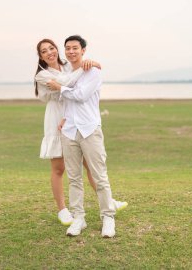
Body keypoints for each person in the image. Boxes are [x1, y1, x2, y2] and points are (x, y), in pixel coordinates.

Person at [34, 39, 127, 227]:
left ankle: (108, 202)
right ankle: (62, 209)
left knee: (89, 164)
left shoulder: (67, 65)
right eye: (44, 51)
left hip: (74, 114)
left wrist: (89, 63)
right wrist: (87, 66)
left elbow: (80, 79)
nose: (50, 52)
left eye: (52, 48)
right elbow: (66, 82)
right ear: (41, 56)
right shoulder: (42, 75)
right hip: (57, 116)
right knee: (59, 168)